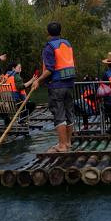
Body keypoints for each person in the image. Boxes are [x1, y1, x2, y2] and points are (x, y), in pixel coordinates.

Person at [32, 21, 76, 152]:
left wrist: (38, 81)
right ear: (60, 31)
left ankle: (62, 145)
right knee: (69, 113)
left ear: (48, 33)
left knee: (59, 114)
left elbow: (50, 69)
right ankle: (68, 143)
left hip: (57, 85)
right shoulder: (67, 44)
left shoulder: (49, 47)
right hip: (69, 84)